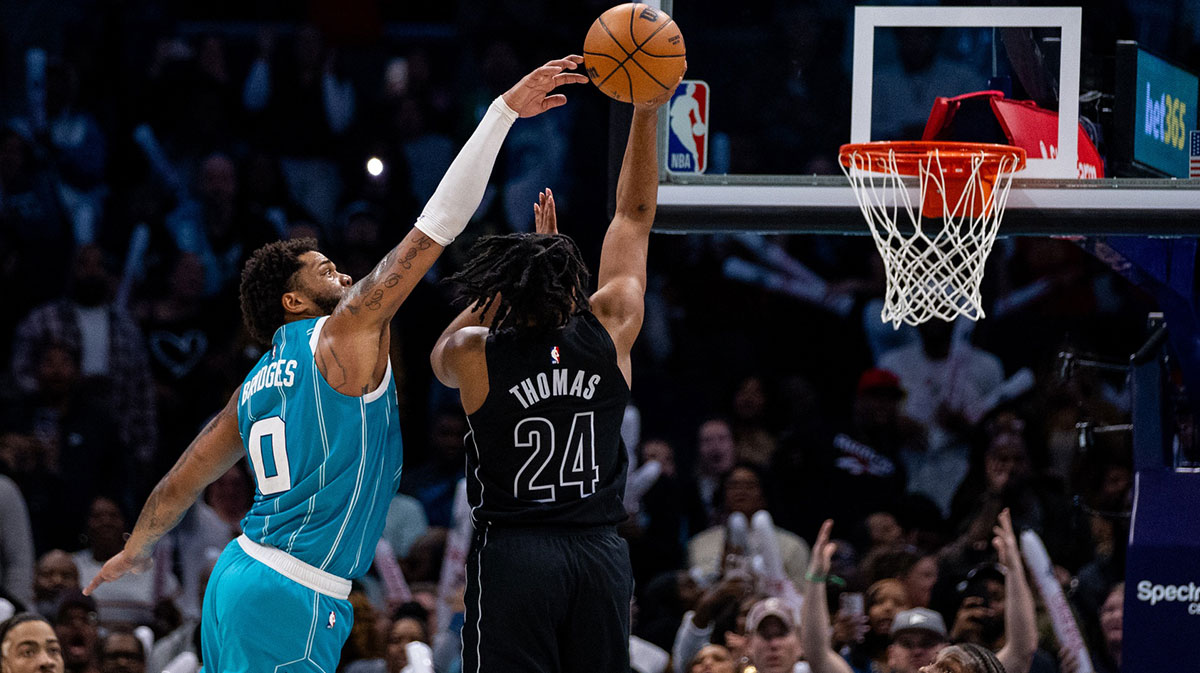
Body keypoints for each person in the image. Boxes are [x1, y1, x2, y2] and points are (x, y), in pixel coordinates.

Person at [81, 55, 588, 672]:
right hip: (291, 592)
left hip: (241, 578)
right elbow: (436, 227)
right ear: (293, 301)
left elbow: (182, 480)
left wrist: (136, 549)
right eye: (326, 270)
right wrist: (502, 113)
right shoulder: (342, 332)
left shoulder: (254, 385)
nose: (345, 273)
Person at [429, 63, 683, 672]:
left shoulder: (476, 353)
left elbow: (438, 357)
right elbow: (633, 217)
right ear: (576, 288)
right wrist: (646, 112)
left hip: (516, 554)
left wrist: (518, 272)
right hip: (597, 553)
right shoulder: (611, 325)